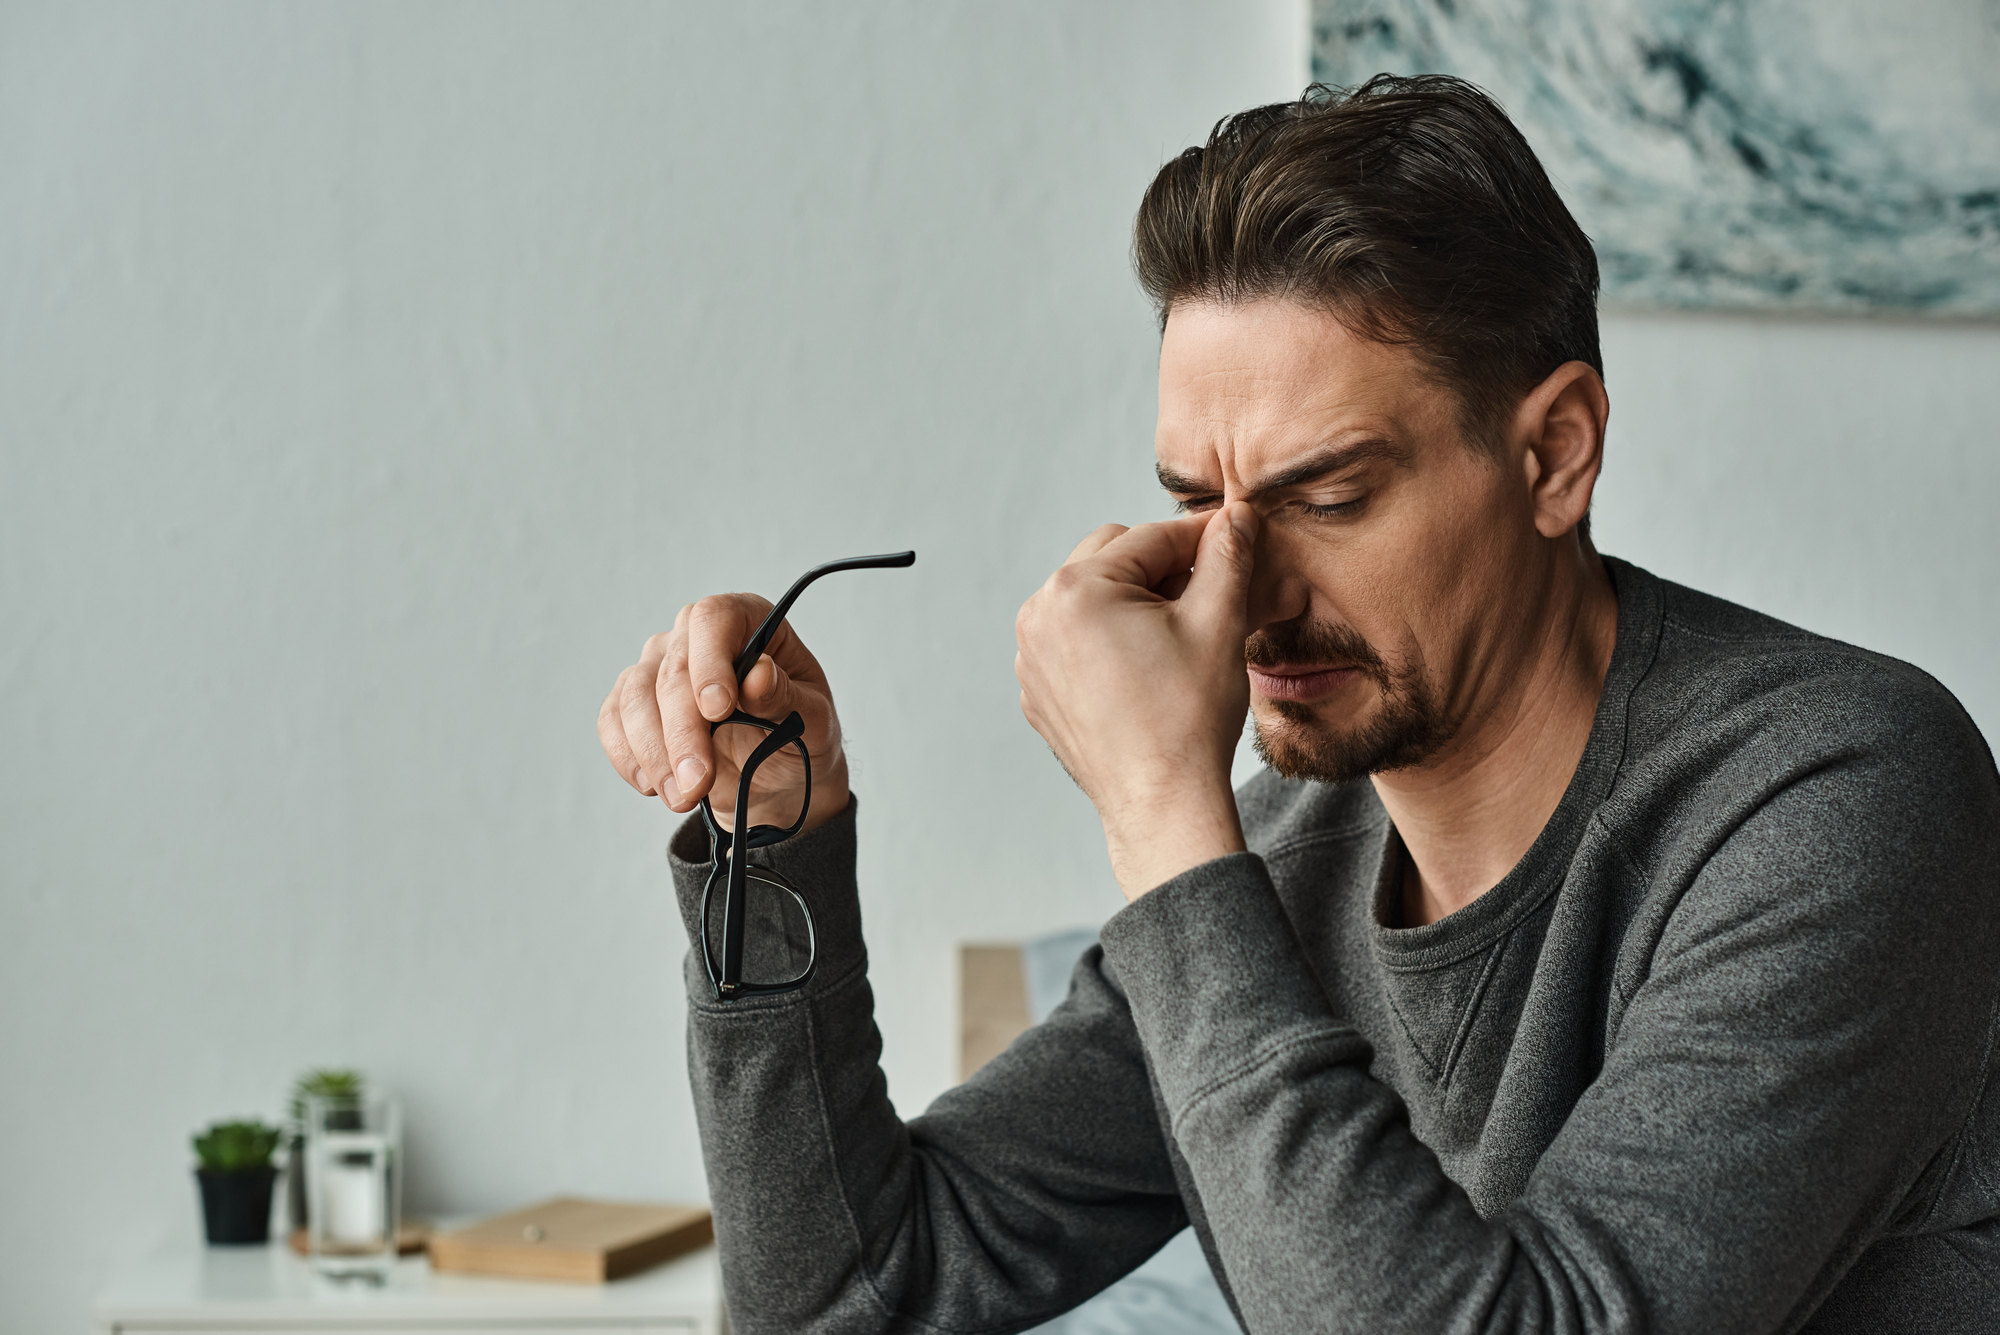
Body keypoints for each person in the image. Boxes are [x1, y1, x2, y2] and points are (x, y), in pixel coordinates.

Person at [596, 76, 2000, 1334]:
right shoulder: (1282, 855)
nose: (1241, 590)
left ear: (1555, 455)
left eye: (1327, 497)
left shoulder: (1846, 796)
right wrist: (769, 840)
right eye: (1193, 503)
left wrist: (1163, 815)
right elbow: (846, 1299)